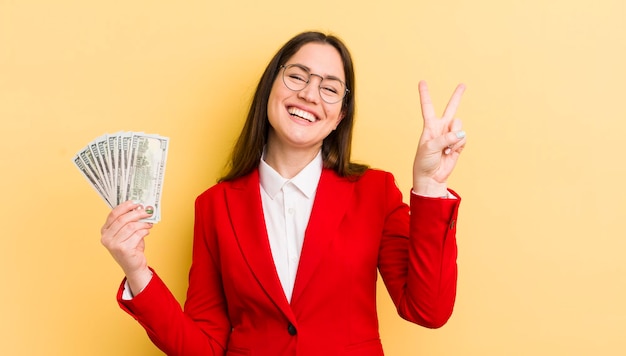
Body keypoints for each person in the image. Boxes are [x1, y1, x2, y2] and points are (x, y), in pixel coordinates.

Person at [101, 31, 467, 356]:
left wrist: (430, 187)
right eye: (296, 77)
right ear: (270, 89)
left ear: (340, 115)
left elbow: (427, 310)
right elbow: (205, 346)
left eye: (329, 88)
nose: (309, 94)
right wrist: (136, 271)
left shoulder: (375, 193)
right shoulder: (215, 206)